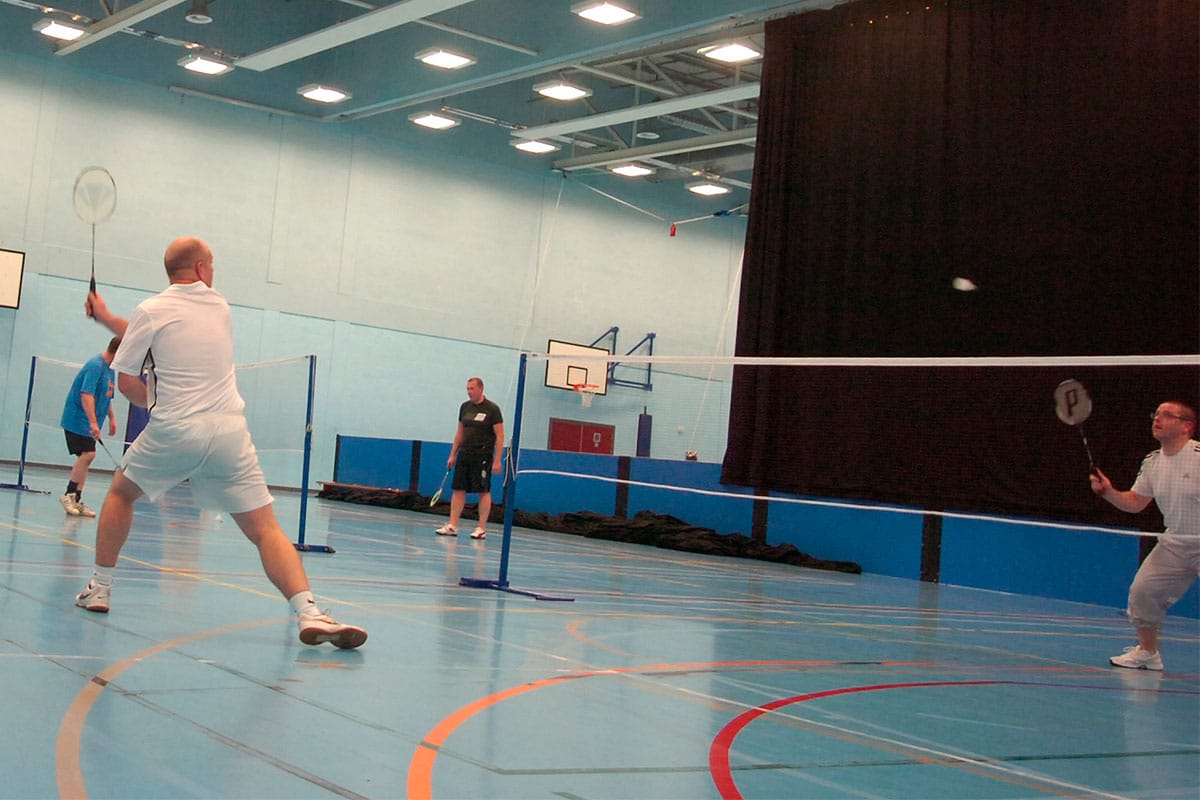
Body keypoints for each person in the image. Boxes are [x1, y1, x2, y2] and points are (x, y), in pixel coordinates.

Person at [76, 236, 367, 649]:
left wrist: (152, 397)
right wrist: (108, 318)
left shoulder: (151, 310)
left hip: (175, 428)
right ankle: (310, 611)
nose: (213, 273)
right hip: (230, 432)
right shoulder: (220, 306)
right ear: (199, 270)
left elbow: (128, 378)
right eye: (211, 265)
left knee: (121, 494)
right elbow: (165, 332)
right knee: (266, 529)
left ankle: (100, 588)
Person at [1090, 400, 1199, 671]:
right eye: (1156, 414)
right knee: (1143, 591)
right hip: (1176, 541)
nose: (1157, 419)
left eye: (1166, 415)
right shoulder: (1152, 462)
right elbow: (1136, 502)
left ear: (1186, 426)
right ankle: (1148, 653)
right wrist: (1108, 492)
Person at [59, 336, 121, 518]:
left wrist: (112, 418)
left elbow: (107, 396)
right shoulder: (96, 366)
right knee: (88, 455)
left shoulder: (111, 371)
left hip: (91, 421)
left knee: (87, 457)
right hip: (78, 419)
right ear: (117, 351)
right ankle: (69, 495)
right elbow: (87, 395)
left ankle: (76, 499)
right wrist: (93, 423)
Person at [435, 377, 504, 540]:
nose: (469, 392)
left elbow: (500, 436)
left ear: (480, 389)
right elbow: (460, 432)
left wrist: (497, 459)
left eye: (472, 388)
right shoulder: (465, 407)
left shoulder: (492, 409)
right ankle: (452, 525)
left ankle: (481, 528)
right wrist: (453, 454)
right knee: (458, 489)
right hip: (464, 454)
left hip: (483, 456)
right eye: (467, 388)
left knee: (483, 491)